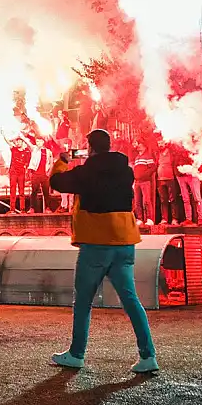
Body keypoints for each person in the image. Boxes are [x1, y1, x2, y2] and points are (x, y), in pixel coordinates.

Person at [47, 129, 158, 374]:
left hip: (96, 242)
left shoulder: (86, 171)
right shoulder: (126, 171)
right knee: (131, 299)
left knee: (83, 301)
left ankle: (76, 354)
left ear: (90, 148)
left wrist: (62, 160)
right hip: (125, 240)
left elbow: (56, 182)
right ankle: (148, 355)